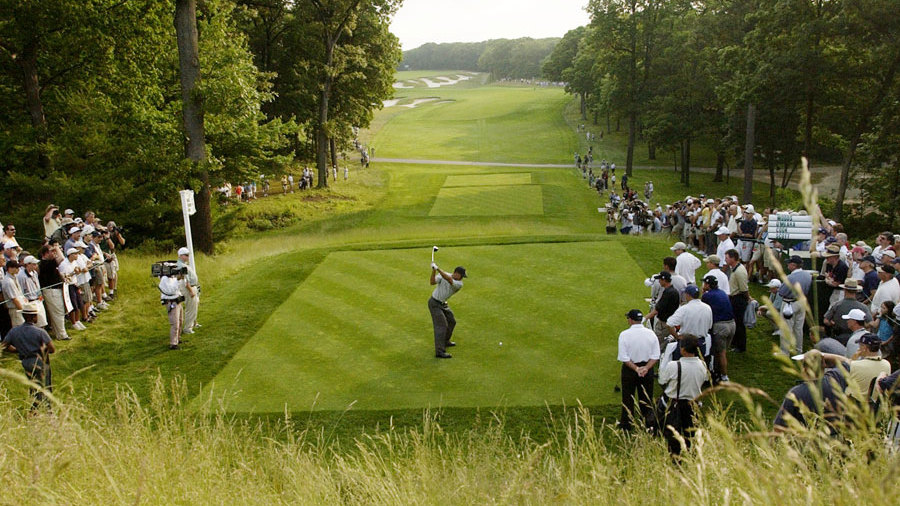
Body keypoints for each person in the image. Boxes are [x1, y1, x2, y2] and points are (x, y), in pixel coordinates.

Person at [657, 334, 709, 455]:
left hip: (675, 405)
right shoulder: (702, 364)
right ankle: (691, 460)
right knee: (691, 436)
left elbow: (662, 380)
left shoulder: (674, 365)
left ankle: (676, 462)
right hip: (694, 404)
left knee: (674, 437)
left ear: (683, 350)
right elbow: (704, 379)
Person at [774, 350, 848, 432]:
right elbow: (848, 361)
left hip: (809, 441)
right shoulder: (835, 379)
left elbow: (778, 427)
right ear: (824, 365)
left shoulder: (796, 393)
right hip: (836, 440)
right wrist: (822, 356)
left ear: (804, 369)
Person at [1, 303, 55, 410]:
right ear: (34, 317)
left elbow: (4, 345)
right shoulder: (40, 332)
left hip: (26, 361)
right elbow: (52, 349)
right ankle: (44, 411)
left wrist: (17, 350)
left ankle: (35, 410)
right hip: (40, 361)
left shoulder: (14, 331)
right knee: (45, 387)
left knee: (33, 385)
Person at [617, 309, 660, 432]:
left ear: (630, 320)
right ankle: (648, 423)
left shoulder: (624, 334)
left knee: (627, 397)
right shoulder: (651, 334)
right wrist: (645, 368)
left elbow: (624, 358)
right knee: (646, 397)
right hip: (647, 369)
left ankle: (626, 424)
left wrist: (637, 369)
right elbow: (655, 356)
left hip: (630, 369)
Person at [820, 334, 891, 405]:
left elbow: (846, 365)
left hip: (854, 407)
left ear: (864, 348)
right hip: (875, 407)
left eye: (860, 345)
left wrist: (822, 355)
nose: (858, 348)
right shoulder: (887, 364)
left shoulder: (854, 366)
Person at [428, 263, 467, 359]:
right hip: (434, 303)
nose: (462, 278)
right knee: (441, 325)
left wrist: (438, 269)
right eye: (461, 276)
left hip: (443, 304)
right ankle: (439, 351)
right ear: (456, 273)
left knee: (452, 321)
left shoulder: (459, 284)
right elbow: (432, 282)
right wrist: (434, 270)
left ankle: (445, 341)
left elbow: (449, 279)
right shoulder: (444, 275)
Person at [702, 275, 735, 382]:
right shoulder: (722, 293)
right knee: (722, 352)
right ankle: (718, 371)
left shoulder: (708, 296)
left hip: (721, 326)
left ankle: (724, 376)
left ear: (707, 284)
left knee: (721, 352)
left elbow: (702, 309)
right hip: (732, 324)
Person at [777, 255, 813, 354]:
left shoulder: (790, 277)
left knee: (786, 328)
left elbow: (781, 292)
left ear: (793, 265)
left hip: (790, 303)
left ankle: (785, 352)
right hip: (802, 302)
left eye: (789, 263)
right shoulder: (807, 275)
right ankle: (799, 350)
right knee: (798, 328)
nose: (787, 265)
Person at [38, 244, 69, 340]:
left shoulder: (49, 263)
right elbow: (61, 258)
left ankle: (58, 332)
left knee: (58, 311)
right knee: (58, 312)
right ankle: (62, 334)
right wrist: (56, 247)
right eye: (52, 251)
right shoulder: (46, 263)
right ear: (45, 253)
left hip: (55, 289)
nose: (54, 253)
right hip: (51, 291)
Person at [646, 271, 680, 351]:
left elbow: (658, 309)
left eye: (660, 280)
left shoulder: (669, 292)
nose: (659, 281)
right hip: (669, 321)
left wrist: (646, 317)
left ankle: (655, 358)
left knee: (656, 343)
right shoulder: (671, 291)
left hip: (665, 322)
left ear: (664, 280)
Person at [725, 249, 750, 352]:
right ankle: (735, 342)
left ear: (733, 258)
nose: (725, 260)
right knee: (735, 322)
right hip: (734, 297)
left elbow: (744, 289)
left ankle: (741, 346)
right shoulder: (734, 269)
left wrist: (748, 298)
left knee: (739, 323)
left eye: (727, 258)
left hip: (738, 299)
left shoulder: (739, 271)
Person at [159, 268, 185, 350]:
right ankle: (173, 343)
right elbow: (170, 291)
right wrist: (177, 280)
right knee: (175, 323)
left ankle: (178, 338)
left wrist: (181, 279)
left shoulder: (173, 278)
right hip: (171, 302)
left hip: (177, 300)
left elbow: (178, 288)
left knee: (180, 320)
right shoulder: (164, 279)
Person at [176, 247, 200, 334]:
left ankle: (194, 323)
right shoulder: (181, 265)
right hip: (188, 287)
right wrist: (191, 290)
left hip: (192, 286)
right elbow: (186, 280)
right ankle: (187, 328)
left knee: (195, 305)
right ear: (180, 256)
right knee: (190, 308)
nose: (187, 257)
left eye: (188, 255)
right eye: (186, 255)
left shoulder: (184, 264)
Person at [2, 260, 26, 326]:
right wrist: (23, 310)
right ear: (10, 268)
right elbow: (14, 299)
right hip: (16, 309)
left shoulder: (14, 278)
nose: (18, 269)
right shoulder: (8, 281)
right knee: (19, 329)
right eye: (16, 268)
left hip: (20, 306)